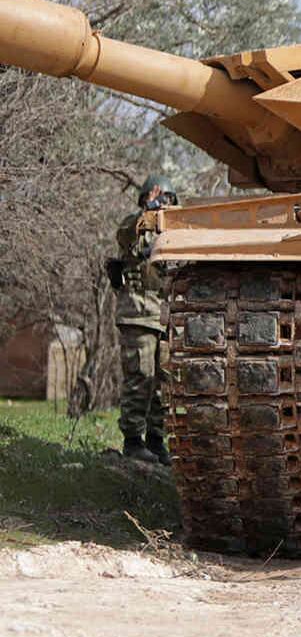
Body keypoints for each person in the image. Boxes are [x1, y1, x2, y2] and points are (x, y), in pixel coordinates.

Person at [108, 175, 176, 465]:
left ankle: (156, 440)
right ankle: (133, 441)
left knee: (163, 383)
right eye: (162, 199)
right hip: (137, 313)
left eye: (170, 200)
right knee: (140, 378)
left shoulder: (172, 232)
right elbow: (126, 234)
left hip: (163, 315)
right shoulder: (133, 227)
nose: (166, 205)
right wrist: (148, 209)